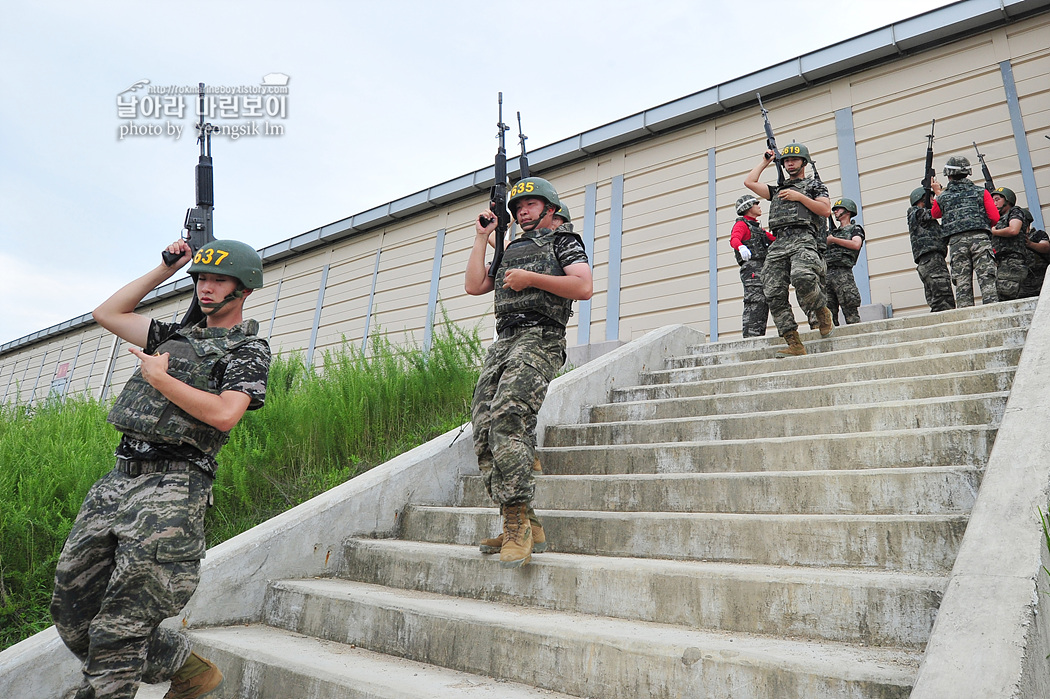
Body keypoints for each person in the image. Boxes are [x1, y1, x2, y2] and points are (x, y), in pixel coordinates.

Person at [50, 239, 270, 699]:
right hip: (117, 480)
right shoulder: (173, 336)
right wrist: (166, 268)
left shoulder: (248, 348)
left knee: (119, 629)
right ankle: (183, 666)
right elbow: (108, 314)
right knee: (72, 612)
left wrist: (160, 379)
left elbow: (227, 413)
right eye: (201, 279)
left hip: (174, 487)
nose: (206, 288)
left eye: (218, 280)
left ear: (243, 287)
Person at [465, 177, 592, 568]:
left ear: (550, 209)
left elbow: (583, 287)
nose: (522, 211)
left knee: (508, 414)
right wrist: (481, 238)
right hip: (505, 339)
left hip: (541, 335)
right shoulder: (509, 249)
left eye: (531, 205)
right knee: (483, 425)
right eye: (518, 208)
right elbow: (474, 285)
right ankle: (522, 520)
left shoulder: (562, 241)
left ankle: (516, 523)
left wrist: (532, 279)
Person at [744, 142, 835, 357]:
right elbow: (749, 182)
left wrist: (799, 197)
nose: (789, 163)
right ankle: (794, 342)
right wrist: (766, 161)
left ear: (804, 162)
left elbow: (825, 210)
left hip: (803, 238)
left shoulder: (814, 186)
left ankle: (822, 311)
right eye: (786, 160)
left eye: (793, 159)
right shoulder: (777, 190)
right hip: (779, 242)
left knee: (802, 277)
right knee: (772, 291)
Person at [930, 156, 1000, 306]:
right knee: (987, 280)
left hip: (956, 243)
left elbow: (935, 214)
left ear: (948, 174)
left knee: (962, 284)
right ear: (968, 173)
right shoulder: (981, 192)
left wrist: (938, 193)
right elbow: (994, 216)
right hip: (980, 239)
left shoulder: (943, 197)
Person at [730, 194, 775, 337]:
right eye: (756, 203)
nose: (759, 206)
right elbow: (734, 239)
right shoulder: (742, 225)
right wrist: (741, 247)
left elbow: (774, 239)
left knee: (763, 302)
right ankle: (750, 337)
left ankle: (758, 335)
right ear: (748, 208)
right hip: (752, 269)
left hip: (763, 267)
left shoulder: (758, 229)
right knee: (755, 301)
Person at [907, 186, 956, 312]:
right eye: (931, 197)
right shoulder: (916, 212)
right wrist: (941, 195)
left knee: (938, 302)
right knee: (944, 301)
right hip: (932, 261)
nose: (934, 200)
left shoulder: (928, 223)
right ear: (921, 199)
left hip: (930, 261)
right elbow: (936, 212)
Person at [825, 198, 865, 325]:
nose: (835, 211)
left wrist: (834, 240)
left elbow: (856, 244)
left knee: (850, 311)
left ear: (848, 211)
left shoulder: (855, 229)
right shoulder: (830, 232)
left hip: (843, 273)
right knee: (828, 314)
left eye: (838, 209)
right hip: (826, 273)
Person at [989, 186, 1031, 302]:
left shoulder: (1015, 211)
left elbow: (1014, 230)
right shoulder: (998, 218)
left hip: (1013, 260)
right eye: (992, 200)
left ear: (1008, 200)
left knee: (1007, 294)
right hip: (1002, 262)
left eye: (997, 199)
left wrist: (994, 231)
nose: (994, 203)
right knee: (1002, 296)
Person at [1021, 225, 1050, 297]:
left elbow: (1046, 247)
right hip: (1024, 285)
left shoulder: (1038, 234)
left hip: (1040, 280)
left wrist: (1030, 244)